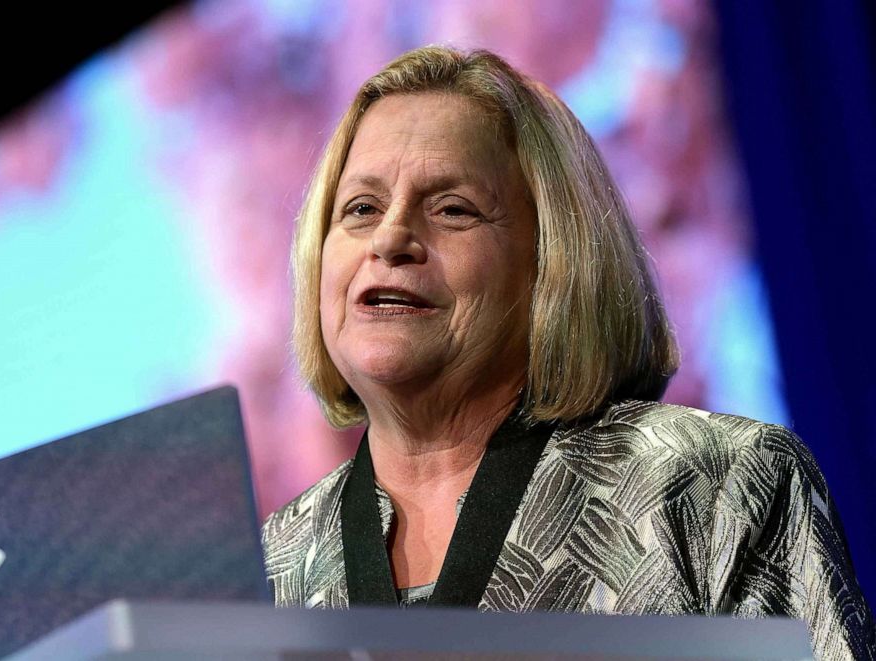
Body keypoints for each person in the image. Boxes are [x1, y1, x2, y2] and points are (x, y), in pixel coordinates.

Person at [261, 46, 876, 660]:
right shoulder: (270, 569)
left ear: (553, 260)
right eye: (361, 209)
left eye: (453, 209)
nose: (390, 238)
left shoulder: (716, 484)